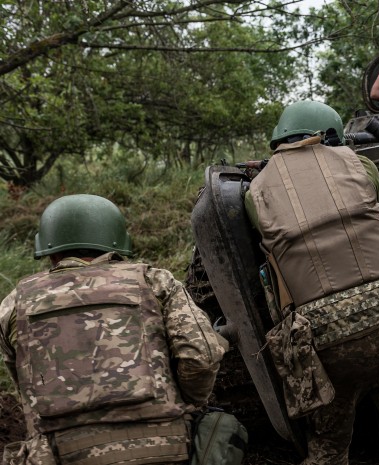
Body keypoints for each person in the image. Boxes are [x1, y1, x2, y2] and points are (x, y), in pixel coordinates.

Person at [248, 100, 379, 465]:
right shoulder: (360, 163)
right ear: (329, 135)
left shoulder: (256, 191)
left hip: (323, 337)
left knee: (329, 444)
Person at [0, 194, 230, 464]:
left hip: (63, 454)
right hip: (164, 448)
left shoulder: (15, 304)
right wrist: (190, 404)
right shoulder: (155, 283)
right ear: (117, 241)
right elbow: (201, 356)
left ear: (50, 250)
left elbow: (25, 385)